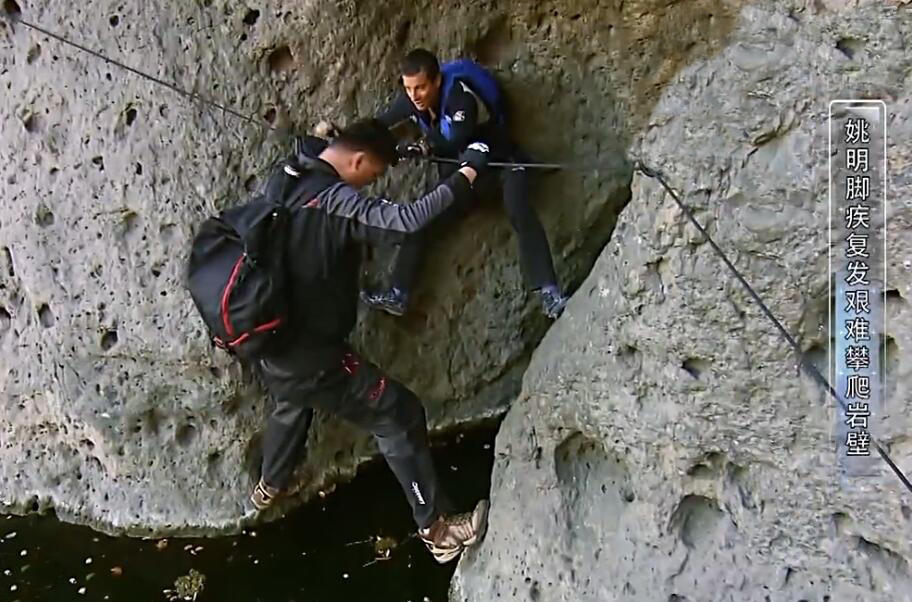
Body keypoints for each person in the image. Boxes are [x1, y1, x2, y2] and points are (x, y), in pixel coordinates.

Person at [248, 118, 491, 564]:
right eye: (374, 174)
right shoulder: (338, 201)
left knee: (292, 398)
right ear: (356, 160)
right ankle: (436, 530)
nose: (373, 183)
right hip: (314, 355)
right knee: (398, 414)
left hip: (269, 339)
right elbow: (406, 222)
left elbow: (317, 144)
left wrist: (384, 148)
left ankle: (270, 483)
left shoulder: (287, 175)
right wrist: (468, 172)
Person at [360, 48, 570, 319]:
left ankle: (550, 292)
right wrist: (341, 138)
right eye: (409, 88)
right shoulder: (411, 100)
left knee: (519, 207)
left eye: (421, 87)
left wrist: (422, 147)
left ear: (437, 81)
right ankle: (398, 293)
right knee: (421, 216)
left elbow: (457, 136)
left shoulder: (461, 96)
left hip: (499, 164)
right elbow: (378, 125)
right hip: (464, 177)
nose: (414, 96)